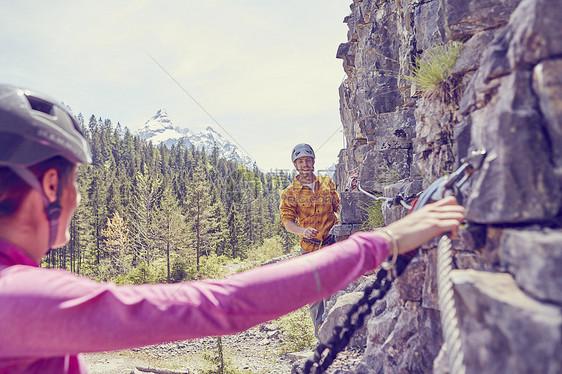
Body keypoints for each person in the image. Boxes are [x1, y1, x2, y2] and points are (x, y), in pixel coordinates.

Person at [0, 84, 465, 374]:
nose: (79, 198)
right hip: (312, 246)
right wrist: (386, 240)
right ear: (51, 183)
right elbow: (223, 305)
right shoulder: (21, 299)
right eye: (76, 181)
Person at [279, 143, 341, 336]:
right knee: (315, 296)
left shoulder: (327, 183)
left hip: (331, 243)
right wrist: (302, 231)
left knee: (333, 288)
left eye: (308, 160)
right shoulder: (290, 193)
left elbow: (338, 207)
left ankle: (334, 333)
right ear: (295, 165)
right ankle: (320, 337)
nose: (305, 164)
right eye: (300, 161)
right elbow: (288, 222)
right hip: (310, 248)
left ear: (313, 162)